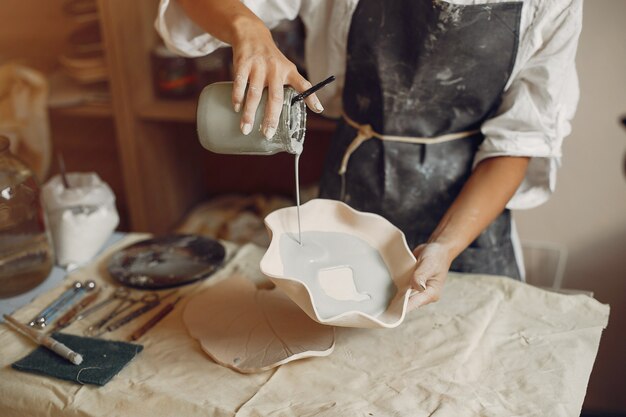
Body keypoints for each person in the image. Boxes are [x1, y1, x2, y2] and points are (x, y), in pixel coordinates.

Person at [156, 0, 582, 309]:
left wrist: (445, 247)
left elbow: (520, 141)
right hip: (353, 185)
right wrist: (247, 28)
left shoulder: (552, 6)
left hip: (468, 216)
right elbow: (187, 9)